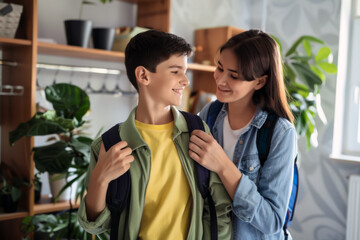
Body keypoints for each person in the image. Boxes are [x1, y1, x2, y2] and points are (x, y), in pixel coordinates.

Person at [77, 30, 232, 240]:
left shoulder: (196, 131)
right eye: (176, 71)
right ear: (143, 75)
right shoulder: (109, 145)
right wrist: (99, 180)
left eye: (185, 71)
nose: (185, 81)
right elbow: (95, 226)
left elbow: (219, 207)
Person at [189, 29, 297, 240]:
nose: (220, 80)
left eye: (234, 76)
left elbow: (272, 221)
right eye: (220, 68)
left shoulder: (280, 133)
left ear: (260, 82)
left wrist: (223, 166)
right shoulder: (209, 114)